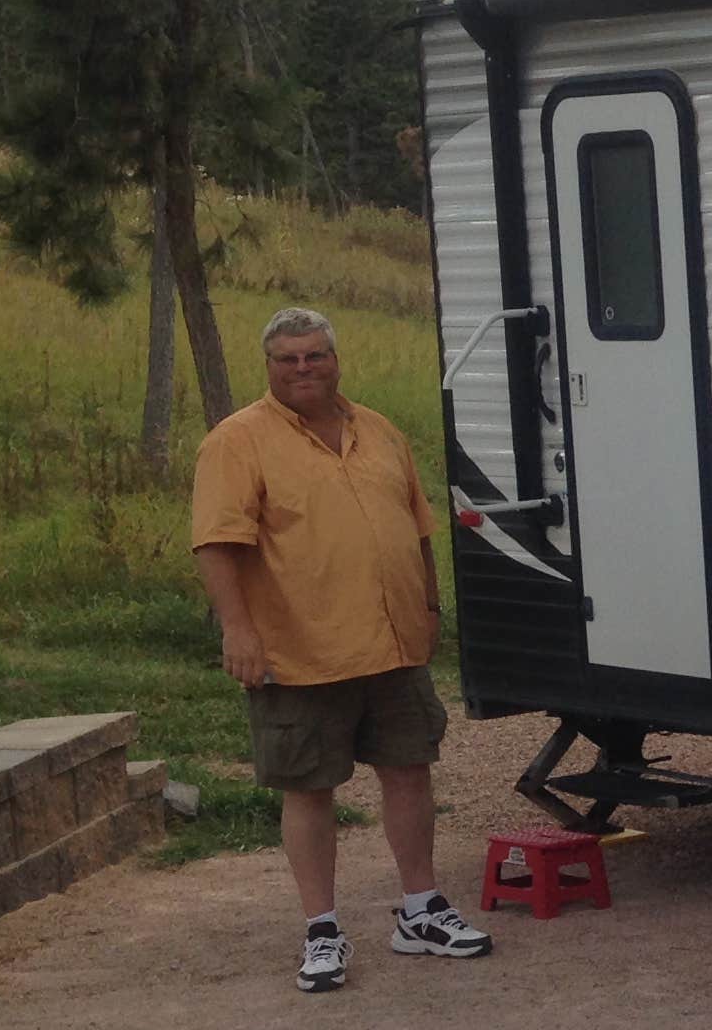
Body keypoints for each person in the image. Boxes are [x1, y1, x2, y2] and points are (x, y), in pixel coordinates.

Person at [192, 306, 493, 991]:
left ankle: (421, 910)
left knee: (410, 770)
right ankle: (322, 930)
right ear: (268, 367)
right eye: (288, 359)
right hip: (301, 651)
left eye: (315, 355)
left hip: (392, 645)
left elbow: (417, 526)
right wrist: (238, 630)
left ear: (336, 359)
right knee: (310, 788)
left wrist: (430, 603)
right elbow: (217, 543)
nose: (304, 368)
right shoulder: (237, 441)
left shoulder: (379, 431)